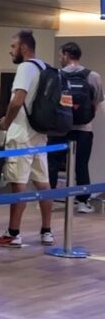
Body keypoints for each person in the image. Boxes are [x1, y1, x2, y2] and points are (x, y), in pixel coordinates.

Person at [0, 29, 54, 247]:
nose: (10, 51)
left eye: (13, 46)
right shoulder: (45, 68)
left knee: (18, 185)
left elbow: (17, 100)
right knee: (43, 184)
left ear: (23, 47)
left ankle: (13, 232)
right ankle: (46, 231)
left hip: (21, 135)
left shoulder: (25, 68)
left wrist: (6, 122)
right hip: (39, 134)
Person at [47, 42, 104, 213]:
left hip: (59, 128)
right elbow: (96, 102)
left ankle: (48, 201)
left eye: (60, 56)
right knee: (81, 165)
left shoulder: (56, 76)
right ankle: (82, 203)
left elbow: (51, 101)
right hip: (83, 129)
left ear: (66, 55)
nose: (60, 59)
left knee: (52, 164)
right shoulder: (93, 76)